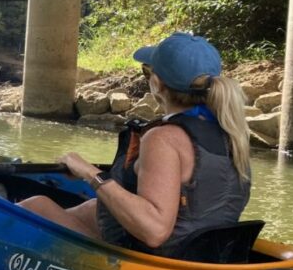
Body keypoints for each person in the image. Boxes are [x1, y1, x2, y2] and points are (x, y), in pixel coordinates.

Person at [20, 32, 251, 257]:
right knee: (93, 208)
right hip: (202, 253)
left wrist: (91, 174)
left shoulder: (164, 138)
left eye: (146, 72)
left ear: (157, 83)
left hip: (162, 262)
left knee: (36, 205)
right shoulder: (231, 133)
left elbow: (154, 232)